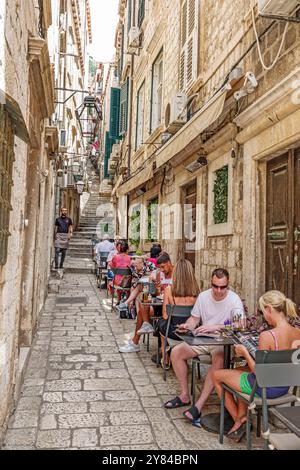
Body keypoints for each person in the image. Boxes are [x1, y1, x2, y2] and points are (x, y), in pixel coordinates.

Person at [213, 290, 300, 441]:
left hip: (266, 388)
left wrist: (245, 353)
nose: (263, 316)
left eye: (262, 311)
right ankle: (242, 416)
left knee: (216, 376)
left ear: (269, 309)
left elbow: (260, 374)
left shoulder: (267, 336)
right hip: (284, 386)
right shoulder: (297, 332)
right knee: (239, 370)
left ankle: (239, 420)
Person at [164, 268, 244, 428]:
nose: (219, 291)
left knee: (219, 359)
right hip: (203, 339)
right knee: (176, 352)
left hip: (222, 341)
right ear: (211, 283)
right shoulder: (203, 296)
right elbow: (194, 318)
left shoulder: (234, 299)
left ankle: (199, 406)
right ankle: (185, 395)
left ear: (228, 285)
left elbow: (239, 325)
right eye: (215, 286)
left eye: (223, 287)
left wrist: (215, 327)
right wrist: (187, 325)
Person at [119, 252, 174, 353]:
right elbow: (157, 293)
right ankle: (145, 326)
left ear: (169, 263)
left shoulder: (177, 275)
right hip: (159, 305)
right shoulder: (159, 274)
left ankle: (136, 341)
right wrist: (157, 289)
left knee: (141, 313)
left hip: (171, 308)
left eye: (163, 267)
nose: (162, 270)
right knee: (143, 298)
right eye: (160, 268)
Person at [158, 259, 200, 369]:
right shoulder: (196, 291)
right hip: (191, 332)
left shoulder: (169, 290)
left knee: (161, 323)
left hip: (174, 331)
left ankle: (164, 354)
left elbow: (165, 316)